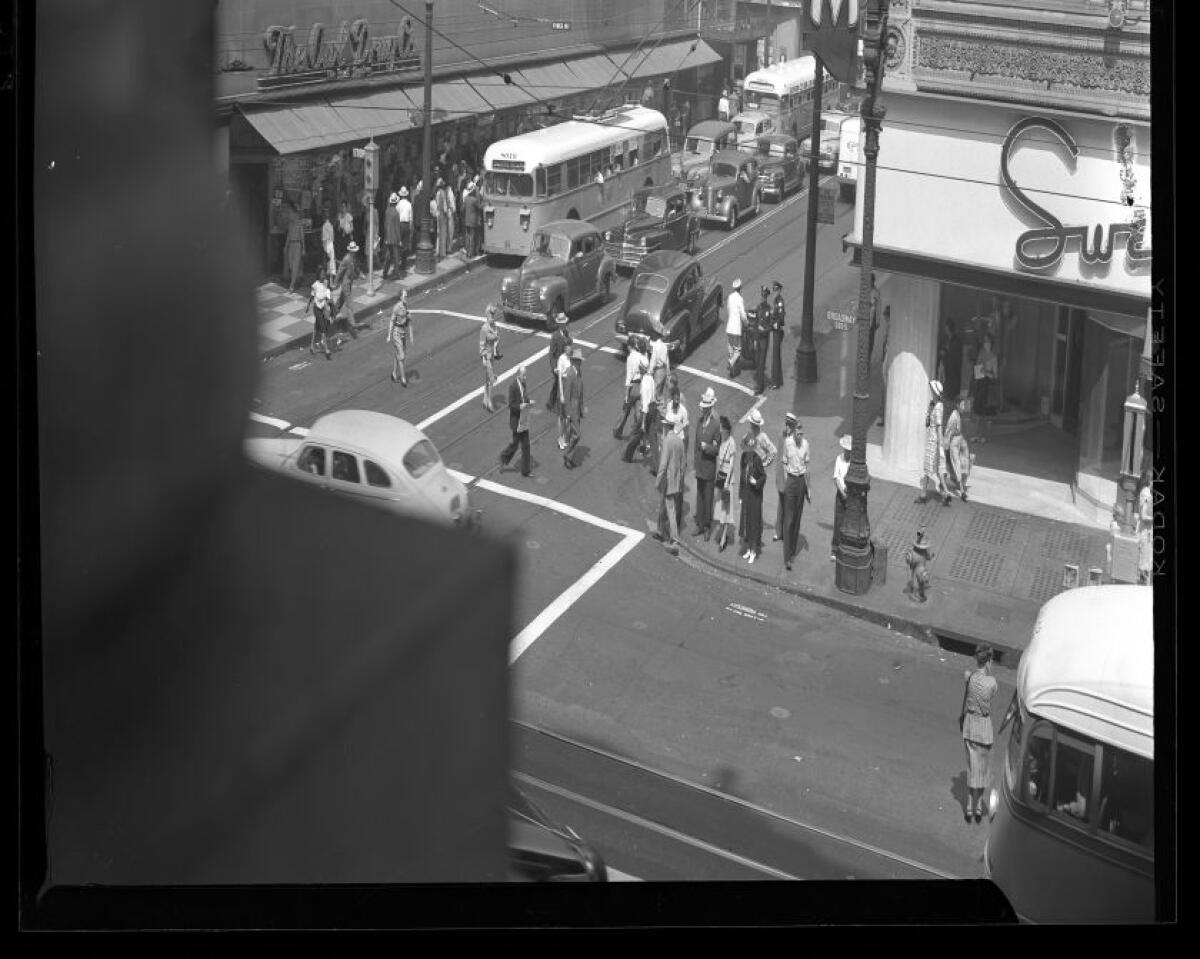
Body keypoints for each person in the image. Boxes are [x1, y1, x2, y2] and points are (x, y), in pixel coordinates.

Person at [959, 645, 998, 824]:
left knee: (971, 768)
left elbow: (965, 698)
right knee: (982, 770)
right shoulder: (992, 683)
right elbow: (990, 694)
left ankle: (968, 805)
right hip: (984, 729)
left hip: (970, 726)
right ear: (989, 661)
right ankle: (978, 808)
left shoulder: (969, 676)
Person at [777, 414, 810, 571]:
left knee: (797, 518)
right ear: (794, 432)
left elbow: (807, 467)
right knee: (789, 519)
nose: (799, 436)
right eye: (797, 433)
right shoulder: (788, 443)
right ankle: (786, 558)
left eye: (801, 434)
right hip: (791, 480)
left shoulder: (806, 445)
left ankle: (792, 553)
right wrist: (786, 481)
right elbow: (784, 462)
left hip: (801, 481)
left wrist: (808, 488)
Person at [692, 389, 720, 539]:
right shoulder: (699, 421)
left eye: (704, 407)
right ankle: (700, 525)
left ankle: (707, 526)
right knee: (700, 496)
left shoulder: (715, 425)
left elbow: (716, 448)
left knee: (708, 498)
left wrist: (707, 448)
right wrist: (695, 464)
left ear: (709, 409)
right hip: (700, 466)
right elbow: (696, 444)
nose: (701, 409)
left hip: (709, 467)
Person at [656, 419, 687, 554]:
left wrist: (658, 481)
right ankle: (659, 530)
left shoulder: (667, 441)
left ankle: (674, 538)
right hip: (676, 481)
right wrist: (680, 480)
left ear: (666, 426)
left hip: (668, 481)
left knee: (670, 509)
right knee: (664, 505)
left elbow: (663, 465)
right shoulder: (680, 442)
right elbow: (683, 464)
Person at [917, 379, 950, 505]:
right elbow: (927, 424)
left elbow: (939, 425)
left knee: (929, 469)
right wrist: (928, 413)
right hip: (932, 440)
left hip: (934, 441)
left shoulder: (939, 407)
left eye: (932, 390)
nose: (930, 391)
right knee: (935, 469)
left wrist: (941, 443)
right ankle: (944, 494)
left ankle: (924, 495)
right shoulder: (933, 405)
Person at [499, 365, 534, 477]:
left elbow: (524, 398)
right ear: (519, 375)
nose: (526, 377)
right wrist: (520, 406)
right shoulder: (513, 387)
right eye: (524, 375)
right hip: (516, 421)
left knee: (526, 445)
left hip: (523, 420)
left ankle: (526, 471)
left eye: (526, 375)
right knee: (515, 445)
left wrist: (529, 402)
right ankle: (503, 457)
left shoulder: (523, 384)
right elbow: (511, 404)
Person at [738, 431, 767, 564]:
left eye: (750, 447)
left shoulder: (757, 459)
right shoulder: (743, 457)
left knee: (754, 523)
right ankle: (749, 548)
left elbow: (763, 476)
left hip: (755, 496)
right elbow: (741, 478)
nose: (748, 449)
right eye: (746, 447)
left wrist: (757, 483)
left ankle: (754, 550)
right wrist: (740, 495)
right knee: (747, 522)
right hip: (746, 495)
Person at [614, 335, 649, 439]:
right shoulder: (642, 356)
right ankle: (637, 433)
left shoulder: (630, 358)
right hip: (642, 386)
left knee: (625, 410)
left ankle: (618, 430)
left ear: (630, 346)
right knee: (639, 411)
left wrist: (626, 394)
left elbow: (629, 377)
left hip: (633, 387)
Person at [623, 365, 659, 466]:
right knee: (652, 439)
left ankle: (627, 455)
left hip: (646, 412)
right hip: (653, 409)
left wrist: (643, 422)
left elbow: (645, 404)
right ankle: (657, 465)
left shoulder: (644, 383)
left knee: (635, 433)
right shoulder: (651, 378)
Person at [712, 416, 739, 552]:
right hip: (721, 474)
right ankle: (722, 531)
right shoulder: (722, 440)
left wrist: (727, 482)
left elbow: (732, 464)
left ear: (726, 429)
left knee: (726, 508)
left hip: (727, 476)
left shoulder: (731, 442)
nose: (720, 430)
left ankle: (724, 537)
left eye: (721, 427)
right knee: (720, 505)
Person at [970, 333, 998, 443]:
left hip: (987, 385)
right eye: (985, 342)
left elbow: (995, 376)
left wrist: (986, 372)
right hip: (979, 384)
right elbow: (977, 372)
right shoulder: (981, 354)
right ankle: (976, 435)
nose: (986, 344)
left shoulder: (993, 357)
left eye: (988, 342)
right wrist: (980, 371)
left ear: (991, 343)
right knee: (977, 411)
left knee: (984, 412)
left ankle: (982, 435)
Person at [331, 240, 361, 342]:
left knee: (341, 301)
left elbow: (355, 268)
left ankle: (333, 312)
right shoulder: (347, 259)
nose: (354, 252)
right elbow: (340, 271)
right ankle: (352, 325)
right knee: (349, 304)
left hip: (349, 282)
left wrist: (359, 274)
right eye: (353, 250)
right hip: (346, 284)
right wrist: (335, 283)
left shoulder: (353, 258)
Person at [943, 395, 970, 501]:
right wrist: (946, 445)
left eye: (964, 405)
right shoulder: (954, 415)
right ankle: (962, 491)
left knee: (963, 462)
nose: (964, 407)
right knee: (956, 464)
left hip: (959, 440)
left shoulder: (958, 414)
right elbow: (948, 431)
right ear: (958, 405)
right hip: (954, 442)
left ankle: (952, 483)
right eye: (962, 405)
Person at [562, 347, 585, 469]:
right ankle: (567, 455)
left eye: (580, 361)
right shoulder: (571, 373)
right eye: (578, 361)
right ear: (574, 361)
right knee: (577, 435)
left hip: (577, 407)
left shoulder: (578, 372)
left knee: (573, 434)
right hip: (572, 407)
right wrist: (568, 413)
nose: (580, 363)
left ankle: (570, 458)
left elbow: (581, 391)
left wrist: (582, 407)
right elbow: (567, 395)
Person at [305, 267, 334, 360]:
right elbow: (311, 296)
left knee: (316, 327)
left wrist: (330, 301)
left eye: (324, 273)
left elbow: (328, 293)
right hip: (317, 309)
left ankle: (312, 347)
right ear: (318, 275)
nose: (323, 275)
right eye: (321, 274)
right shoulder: (315, 285)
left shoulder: (326, 282)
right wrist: (307, 306)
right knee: (323, 328)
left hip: (324, 308)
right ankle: (326, 350)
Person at [386, 288, 413, 385]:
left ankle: (394, 373)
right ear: (401, 297)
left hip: (403, 332)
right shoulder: (396, 307)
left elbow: (407, 318)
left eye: (407, 296)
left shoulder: (405, 305)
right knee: (401, 356)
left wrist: (408, 316)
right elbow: (392, 321)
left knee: (400, 354)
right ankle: (403, 379)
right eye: (405, 296)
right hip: (396, 333)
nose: (407, 297)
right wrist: (389, 335)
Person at [831, 434, 851, 559]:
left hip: (850, 495)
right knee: (838, 522)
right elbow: (836, 478)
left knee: (848, 523)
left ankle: (845, 548)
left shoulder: (853, 462)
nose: (848, 452)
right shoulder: (839, 459)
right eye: (846, 450)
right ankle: (835, 548)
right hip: (841, 494)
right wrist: (843, 493)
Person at [547, 313, 571, 412]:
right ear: (559, 324)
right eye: (562, 323)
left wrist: (568, 340)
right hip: (557, 365)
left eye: (565, 323)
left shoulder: (565, 332)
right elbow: (551, 354)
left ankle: (551, 402)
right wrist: (554, 368)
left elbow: (570, 342)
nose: (564, 325)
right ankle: (554, 404)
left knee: (558, 383)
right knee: (558, 383)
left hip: (564, 362)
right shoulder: (555, 336)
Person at [479, 303, 501, 412]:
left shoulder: (494, 326)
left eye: (494, 316)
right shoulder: (484, 329)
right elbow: (482, 347)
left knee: (487, 380)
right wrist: (485, 358)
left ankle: (485, 400)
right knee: (491, 379)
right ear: (487, 316)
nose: (493, 318)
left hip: (492, 356)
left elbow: (496, 338)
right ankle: (489, 401)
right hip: (487, 358)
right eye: (491, 316)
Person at [904, 528, 935, 603]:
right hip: (919, 569)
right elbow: (928, 557)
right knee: (919, 582)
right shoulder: (919, 552)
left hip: (920, 569)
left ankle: (919, 593)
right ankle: (917, 594)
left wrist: (931, 556)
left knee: (920, 582)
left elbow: (928, 557)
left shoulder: (919, 552)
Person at [1135, 467, 1153, 584]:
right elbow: (1144, 516)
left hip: (1148, 532)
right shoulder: (1146, 493)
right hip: (1145, 532)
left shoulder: (1148, 493)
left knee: (1147, 561)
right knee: (1144, 562)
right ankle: (1142, 585)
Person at [751, 285, 770, 394]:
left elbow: (771, 326)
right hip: (758, 339)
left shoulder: (769, 309)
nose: (763, 298)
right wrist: (754, 339)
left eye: (764, 296)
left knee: (761, 363)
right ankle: (759, 383)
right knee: (758, 363)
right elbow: (755, 323)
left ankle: (760, 387)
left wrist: (763, 330)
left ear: (767, 297)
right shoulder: (758, 308)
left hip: (764, 341)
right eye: (762, 296)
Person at [726, 278, 746, 377]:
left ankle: (732, 371)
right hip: (736, 328)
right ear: (740, 288)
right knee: (737, 350)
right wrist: (746, 323)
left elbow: (728, 310)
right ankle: (731, 362)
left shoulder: (730, 297)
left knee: (730, 348)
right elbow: (742, 314)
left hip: (729, 327)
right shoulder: (740, 299)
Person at [284, 201, 304, 294]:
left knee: (295, 265)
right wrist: (286, 246)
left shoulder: (299, 223)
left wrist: (304, 248)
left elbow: (302, 236)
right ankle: (298, 277)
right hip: (291, 245)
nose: (289, 215)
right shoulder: (290, 224)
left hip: (298, 245)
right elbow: (288, 235)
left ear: (295, 213)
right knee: (291, 265)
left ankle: (292, 285)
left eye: (290, 213)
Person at [768, 280, 786, 390]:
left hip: (777, 331)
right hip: (776, 330)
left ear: (779, 290)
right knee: (776, 356)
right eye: (774, 290)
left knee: (775, 356)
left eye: (776, 289)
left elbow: (781, 315)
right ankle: (778, 380)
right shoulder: (776, 300)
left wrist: (775, 324)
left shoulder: (779, 301)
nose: (774, 291)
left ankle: (776, 382)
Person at [877, 305, 891, 426]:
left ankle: (884, 416)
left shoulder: (891, 328)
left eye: (886, 317)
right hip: (885, 359)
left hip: (887, 361)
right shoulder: (888, 327)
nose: (885, 320)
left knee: (885, 390)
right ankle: (883, 415)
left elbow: (887, 345)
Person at [649, 330, 672, 402]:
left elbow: (654, 359)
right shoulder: (664, 346)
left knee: (656, 390)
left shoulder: (656, 345)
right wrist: (668, 373)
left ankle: (655, 407)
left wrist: (650, 371)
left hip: (658, 371)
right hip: (664, 370)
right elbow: (667, 360)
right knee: (660, 391)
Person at [395, 186, 413, 272]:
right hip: (406, 224)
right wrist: (410, 227)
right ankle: (403, 264)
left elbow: (396, 216)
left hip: (399, 224)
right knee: (405, 245)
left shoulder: (398, 205)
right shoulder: (409, 204)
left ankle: (397, 262)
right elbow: (411, 218)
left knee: (399, 244)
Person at [462, 181, 482, 258]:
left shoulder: (466, 199)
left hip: (467, 220)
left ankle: (467, 252)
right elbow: (479, 207)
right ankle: (471, 253)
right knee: (472, 237)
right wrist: (484, 203)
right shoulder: (474, 200)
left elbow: (462, 209)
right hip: (473, 221)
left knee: (467, 236)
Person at [868, 272, 881, 361]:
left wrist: (878, 321)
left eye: (871, 281)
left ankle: (868, 359)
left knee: (870, 341)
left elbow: (879, 307)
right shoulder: (864, 290)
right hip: (865, 319)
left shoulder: (876, 292)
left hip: (872, 319)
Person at [321, 208, 337, 278]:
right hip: (331, 243)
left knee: (328, 260)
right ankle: (332, 274)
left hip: (327, 244)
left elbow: (324, 238)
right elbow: (332, 236)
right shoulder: (330, 225)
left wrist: (323, 245)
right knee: (331, 259)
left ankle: (329, 274)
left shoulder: (325, 225)